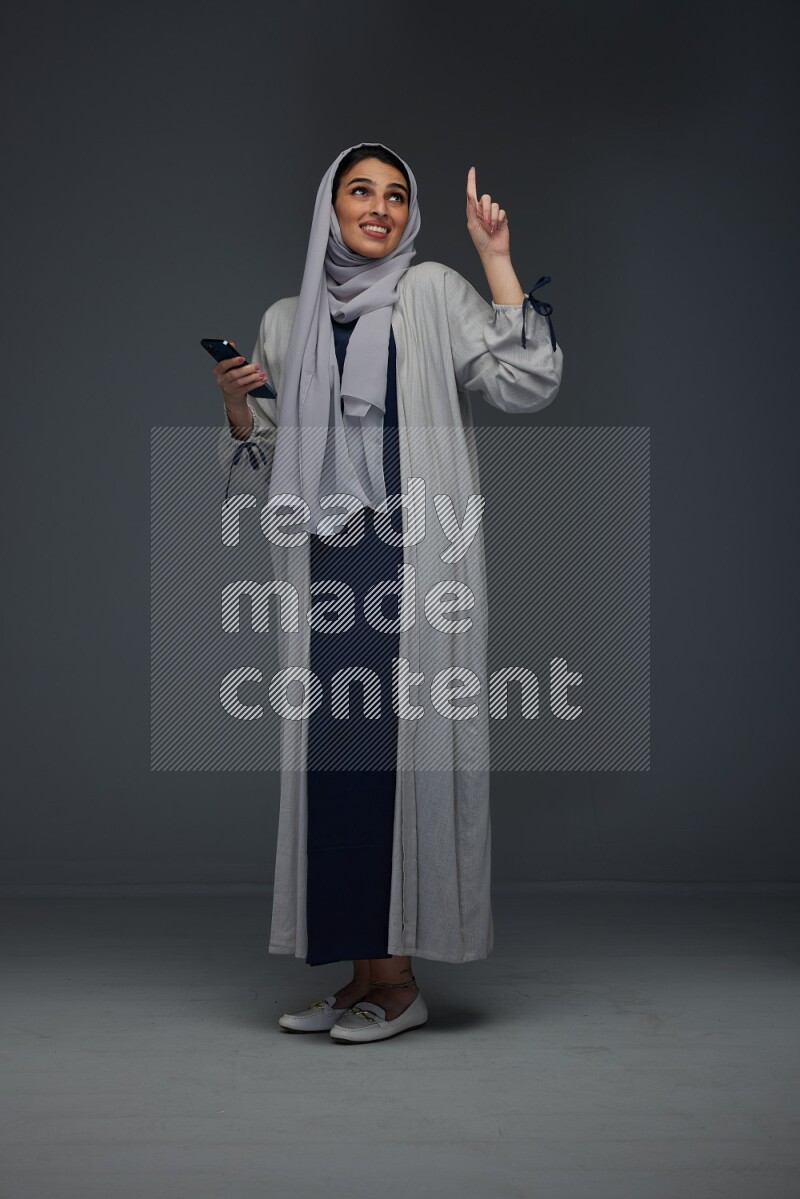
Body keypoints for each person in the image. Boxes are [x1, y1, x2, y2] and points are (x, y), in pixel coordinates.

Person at [214, 142, 563, 1043]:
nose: (380, 207)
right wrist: (236, 403)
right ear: (328, 206)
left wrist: (496, 260)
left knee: (397, 760)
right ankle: (359, 972)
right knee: (339, 771)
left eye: (396, 196)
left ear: (410, 217)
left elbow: (526, 380)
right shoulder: (286, 320)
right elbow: (258, 469)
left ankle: (399, 984)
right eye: (360, 191)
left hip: (413, 571)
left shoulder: (434, 294)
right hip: (326, 572)